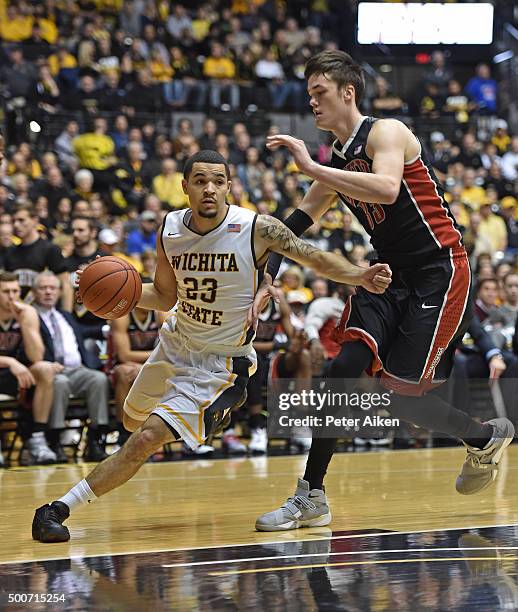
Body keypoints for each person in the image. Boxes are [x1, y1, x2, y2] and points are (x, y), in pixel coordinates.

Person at [32, 149, 391, 542]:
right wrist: (109, 293)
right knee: (132, 423)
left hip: (221, 364)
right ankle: (187, 424)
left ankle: (57, 509)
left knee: (147, 438)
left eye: (218, 181)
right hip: (174, 344)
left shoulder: (256, 228)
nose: (210, 189)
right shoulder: (170, 228)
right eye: (200, 181)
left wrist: (360, 275)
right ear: (184, 187)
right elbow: (165, 296)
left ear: (229, 187)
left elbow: (314, 258)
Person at [253, 50, 514, 532]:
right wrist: (262, 268)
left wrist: (313, 168)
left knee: (401, 398)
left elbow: (388, 188)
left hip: (440, 271)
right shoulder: (335, 163)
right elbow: (296, 225)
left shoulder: (386, 132)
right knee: (342, 367)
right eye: (309, 94)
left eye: (320, 93)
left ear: (347, 92)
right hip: (387, 275)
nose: (312, 102)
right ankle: (311, 494)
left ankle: (482, 437)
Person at [33, 272, 110, 463]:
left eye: (52, 288)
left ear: (59, 292)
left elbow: (83, 332)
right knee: (59, 382)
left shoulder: (65, 316)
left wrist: (106, 328)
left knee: (98, 379)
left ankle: (96, 439)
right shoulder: (30, 316)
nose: (48, 292)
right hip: (51, 371)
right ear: (34, 292)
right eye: (43, 288)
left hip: (78, 369)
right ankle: (55, 439)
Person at [0, 272, 58, 464]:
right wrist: (10, 362)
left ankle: (38, 439)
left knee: (44, 369)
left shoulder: (28, 312)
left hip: (18, 375)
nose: (12, 296)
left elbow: (36, 356)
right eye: (6, 291)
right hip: (10, 368)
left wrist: (25, 323)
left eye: (15, 291)